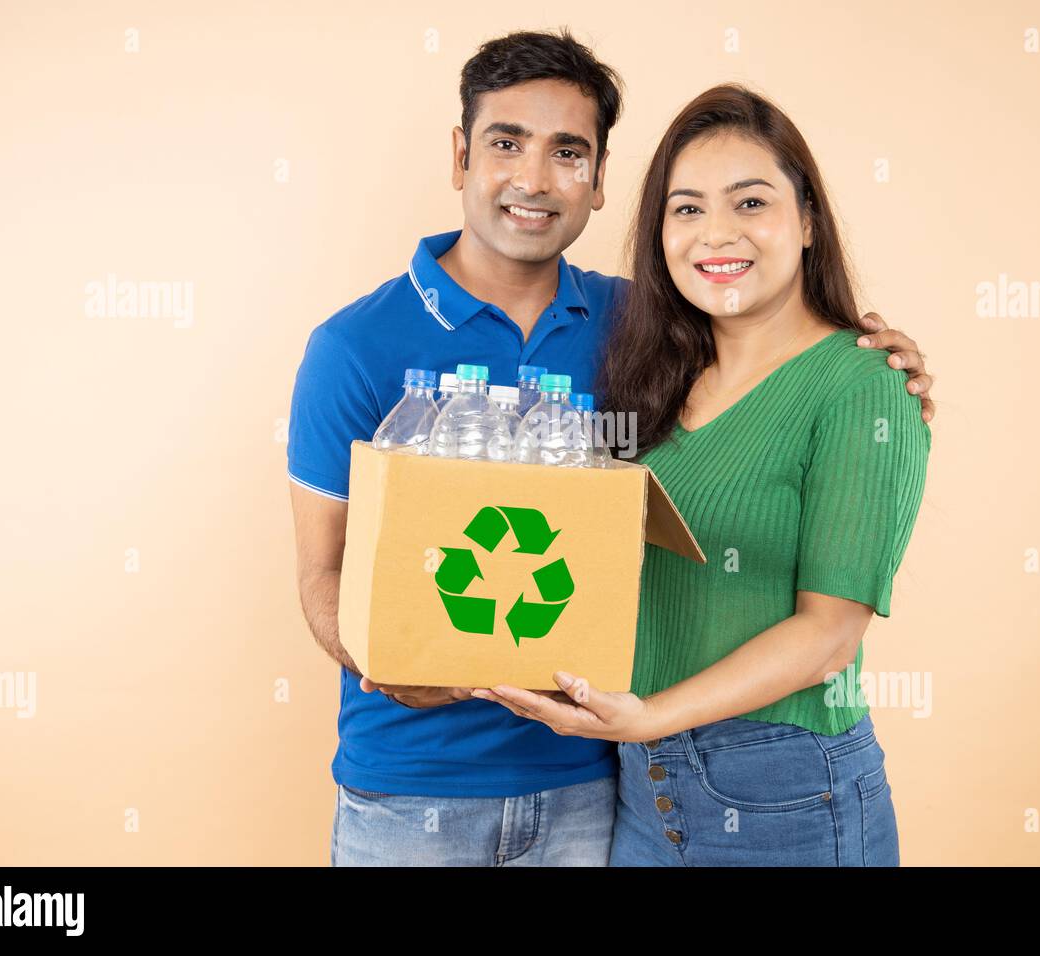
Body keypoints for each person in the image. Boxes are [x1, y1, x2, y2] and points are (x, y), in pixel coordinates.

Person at [288, 32, 937, 867]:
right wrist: (383, 659)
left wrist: (886, 368)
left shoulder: (640, 333)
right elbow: (321, 574)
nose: (533, 179)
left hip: (597, 781)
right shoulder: (354, 347)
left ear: (598, 180)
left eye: (568, 152)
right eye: (505, 143)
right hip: (415, 787)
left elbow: (785, 368)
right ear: (460, 155)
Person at [472, 84, 931, 866]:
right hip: (645, 788)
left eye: (750, 203)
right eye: (687, 210)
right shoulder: (659, 370)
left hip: (786, 791)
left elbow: (828, 635)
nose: (716, 233)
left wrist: (647, 715)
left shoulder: (863, 384)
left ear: (809, 220)